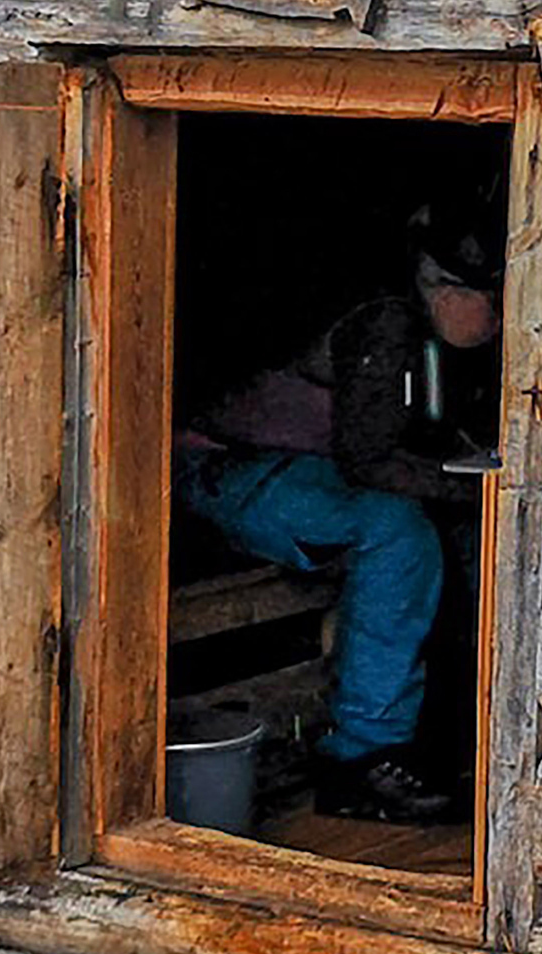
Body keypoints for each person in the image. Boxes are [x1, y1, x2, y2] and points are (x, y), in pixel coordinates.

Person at [175, 199, 500, 826]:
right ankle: (361, 760)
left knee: (441, 530)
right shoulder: (386, 321)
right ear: (444, 284)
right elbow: (366, 460)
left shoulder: (425, 329)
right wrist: (473, 487)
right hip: (220, 463)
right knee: (397, 531)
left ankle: (449, 735)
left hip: (293, 462)